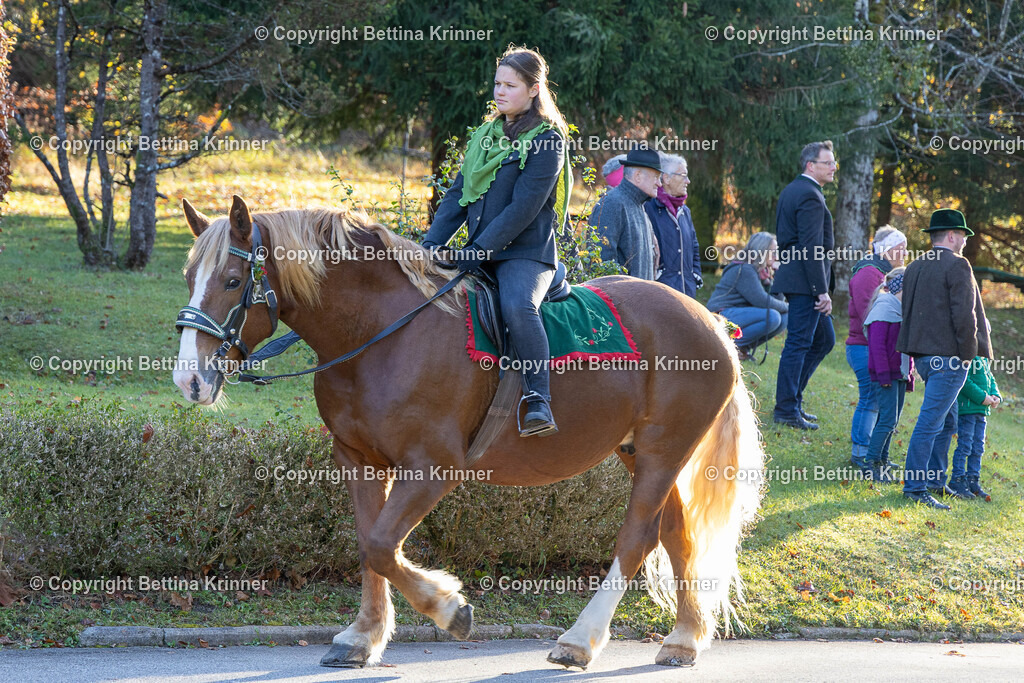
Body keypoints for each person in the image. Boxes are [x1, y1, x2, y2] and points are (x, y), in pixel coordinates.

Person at [422, 46, 572, 438]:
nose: (499, 92)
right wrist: (428, 245)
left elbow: (522, 209)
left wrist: (477, 251)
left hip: (525, 255)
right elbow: (458, 195)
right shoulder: (485, 136)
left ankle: (538, 399)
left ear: (534, 88)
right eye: (496, 83)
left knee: (517, 305)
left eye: (510, 85)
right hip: (481, 250)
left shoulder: (547, 141)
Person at [897, 208, 992, 509]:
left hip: (923, 358)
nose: (964, 240)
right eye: (963, 235)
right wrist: (968, 357)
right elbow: (966, 317)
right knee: (931, 421)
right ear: (952, 235)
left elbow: (908, 314)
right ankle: (914, 487)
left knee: (947, 420)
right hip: (950, 359)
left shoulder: (914, 266)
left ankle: (936, 481)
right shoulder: (958, 265)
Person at [771, 141, 838, 430]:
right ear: (811, 165)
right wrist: (820, 290)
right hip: (805, 281)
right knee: (798, 344)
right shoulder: (810, 195)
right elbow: (811, 247)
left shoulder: (794, 190)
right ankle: (785, 410)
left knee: (824, 339)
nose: (834, 167)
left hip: (799, 278)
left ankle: (793, 401)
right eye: (828, 163)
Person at [846, 226, 908, 469]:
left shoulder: (882, 272)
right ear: (886, 249)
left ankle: (875, 453)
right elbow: (869, 316)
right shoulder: (869, 272)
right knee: (870, 399)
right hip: (863, 346)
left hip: (872, 346)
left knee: (875, 401)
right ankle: (861, 453)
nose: (904, 253)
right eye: (900, 248)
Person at [862, 268, 913, 482]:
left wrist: (908, 376)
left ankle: (883, 459)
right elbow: (877, 347)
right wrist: (883, 376)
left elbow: (905, 347)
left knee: (892, 420)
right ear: (902, 287)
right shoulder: (883, 309)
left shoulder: (901, 310)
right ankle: (870, 464)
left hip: (899, 374)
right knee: (887, 420)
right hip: (886, 375)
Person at [706, 232, 788, 360]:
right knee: (772, 316)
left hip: (737, 315)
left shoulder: (762, 271)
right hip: (719, 317)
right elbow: (762, 301)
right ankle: (727, 347)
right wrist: (789, 306)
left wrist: (779, 275)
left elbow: (776, 300)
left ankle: (742, 350)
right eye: (773, 252)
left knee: (784, 317)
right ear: (762, 251)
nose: (776, 256)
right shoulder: (745, 269)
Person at [590, 147, 662, 280]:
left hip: (638, 299)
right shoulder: (611, 204)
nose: (659, 183)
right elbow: (600, 266)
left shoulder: (640, 206)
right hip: (619, 300)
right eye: (656, 177)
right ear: (638, 176)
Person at [644, 153, 703, 297]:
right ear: (666, 178)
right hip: (660, 294)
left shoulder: (685, 211)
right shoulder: (648, 207)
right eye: (683, 175)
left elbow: (694, 246)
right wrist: (657, 276)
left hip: (687, 291)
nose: (688, 181)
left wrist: (695, 275)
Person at [950, 346, 1000, 499]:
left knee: (978, 447)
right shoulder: (967, 355)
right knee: (965, 446)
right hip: (968, 410)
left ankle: (973, 480)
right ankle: (957, 479)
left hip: (981, 412)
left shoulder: (983, 358)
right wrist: (982, 397)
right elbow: (965, 381)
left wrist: (995, 394)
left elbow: (990, 378)